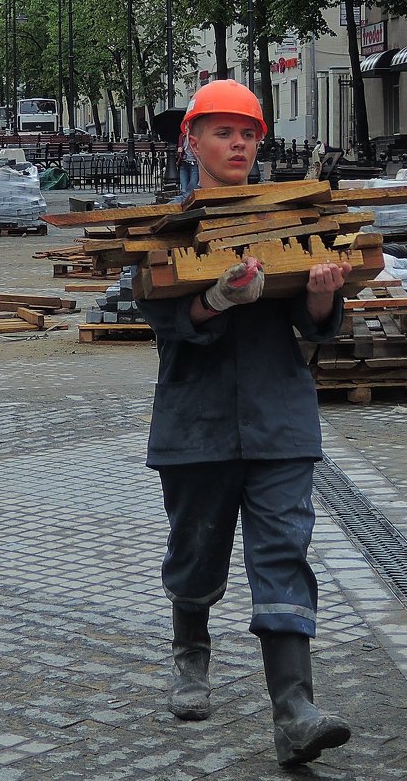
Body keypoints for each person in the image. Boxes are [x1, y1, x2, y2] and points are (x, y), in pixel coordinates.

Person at [135, 79, 352, 767]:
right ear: (191, 141)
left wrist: (320, 300)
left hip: (277, 419)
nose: (237, 144)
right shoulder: (163, 229)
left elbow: (311, 326)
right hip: (194, 424)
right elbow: (159, 317)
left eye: (247, 133)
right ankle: (191, 653)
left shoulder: (285, 218)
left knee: (283, 553)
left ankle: (293, 708)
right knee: (196, 550)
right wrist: (215, 300)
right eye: (222, 132)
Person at [176, 128, 199, 198]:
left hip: (194, 163)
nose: (186, 128)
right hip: (184, 162)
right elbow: (180, 148)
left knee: (193, 185)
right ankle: (184, 203)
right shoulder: (182, 136)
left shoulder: (196, 135)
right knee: (184, 188)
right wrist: (180, 150)